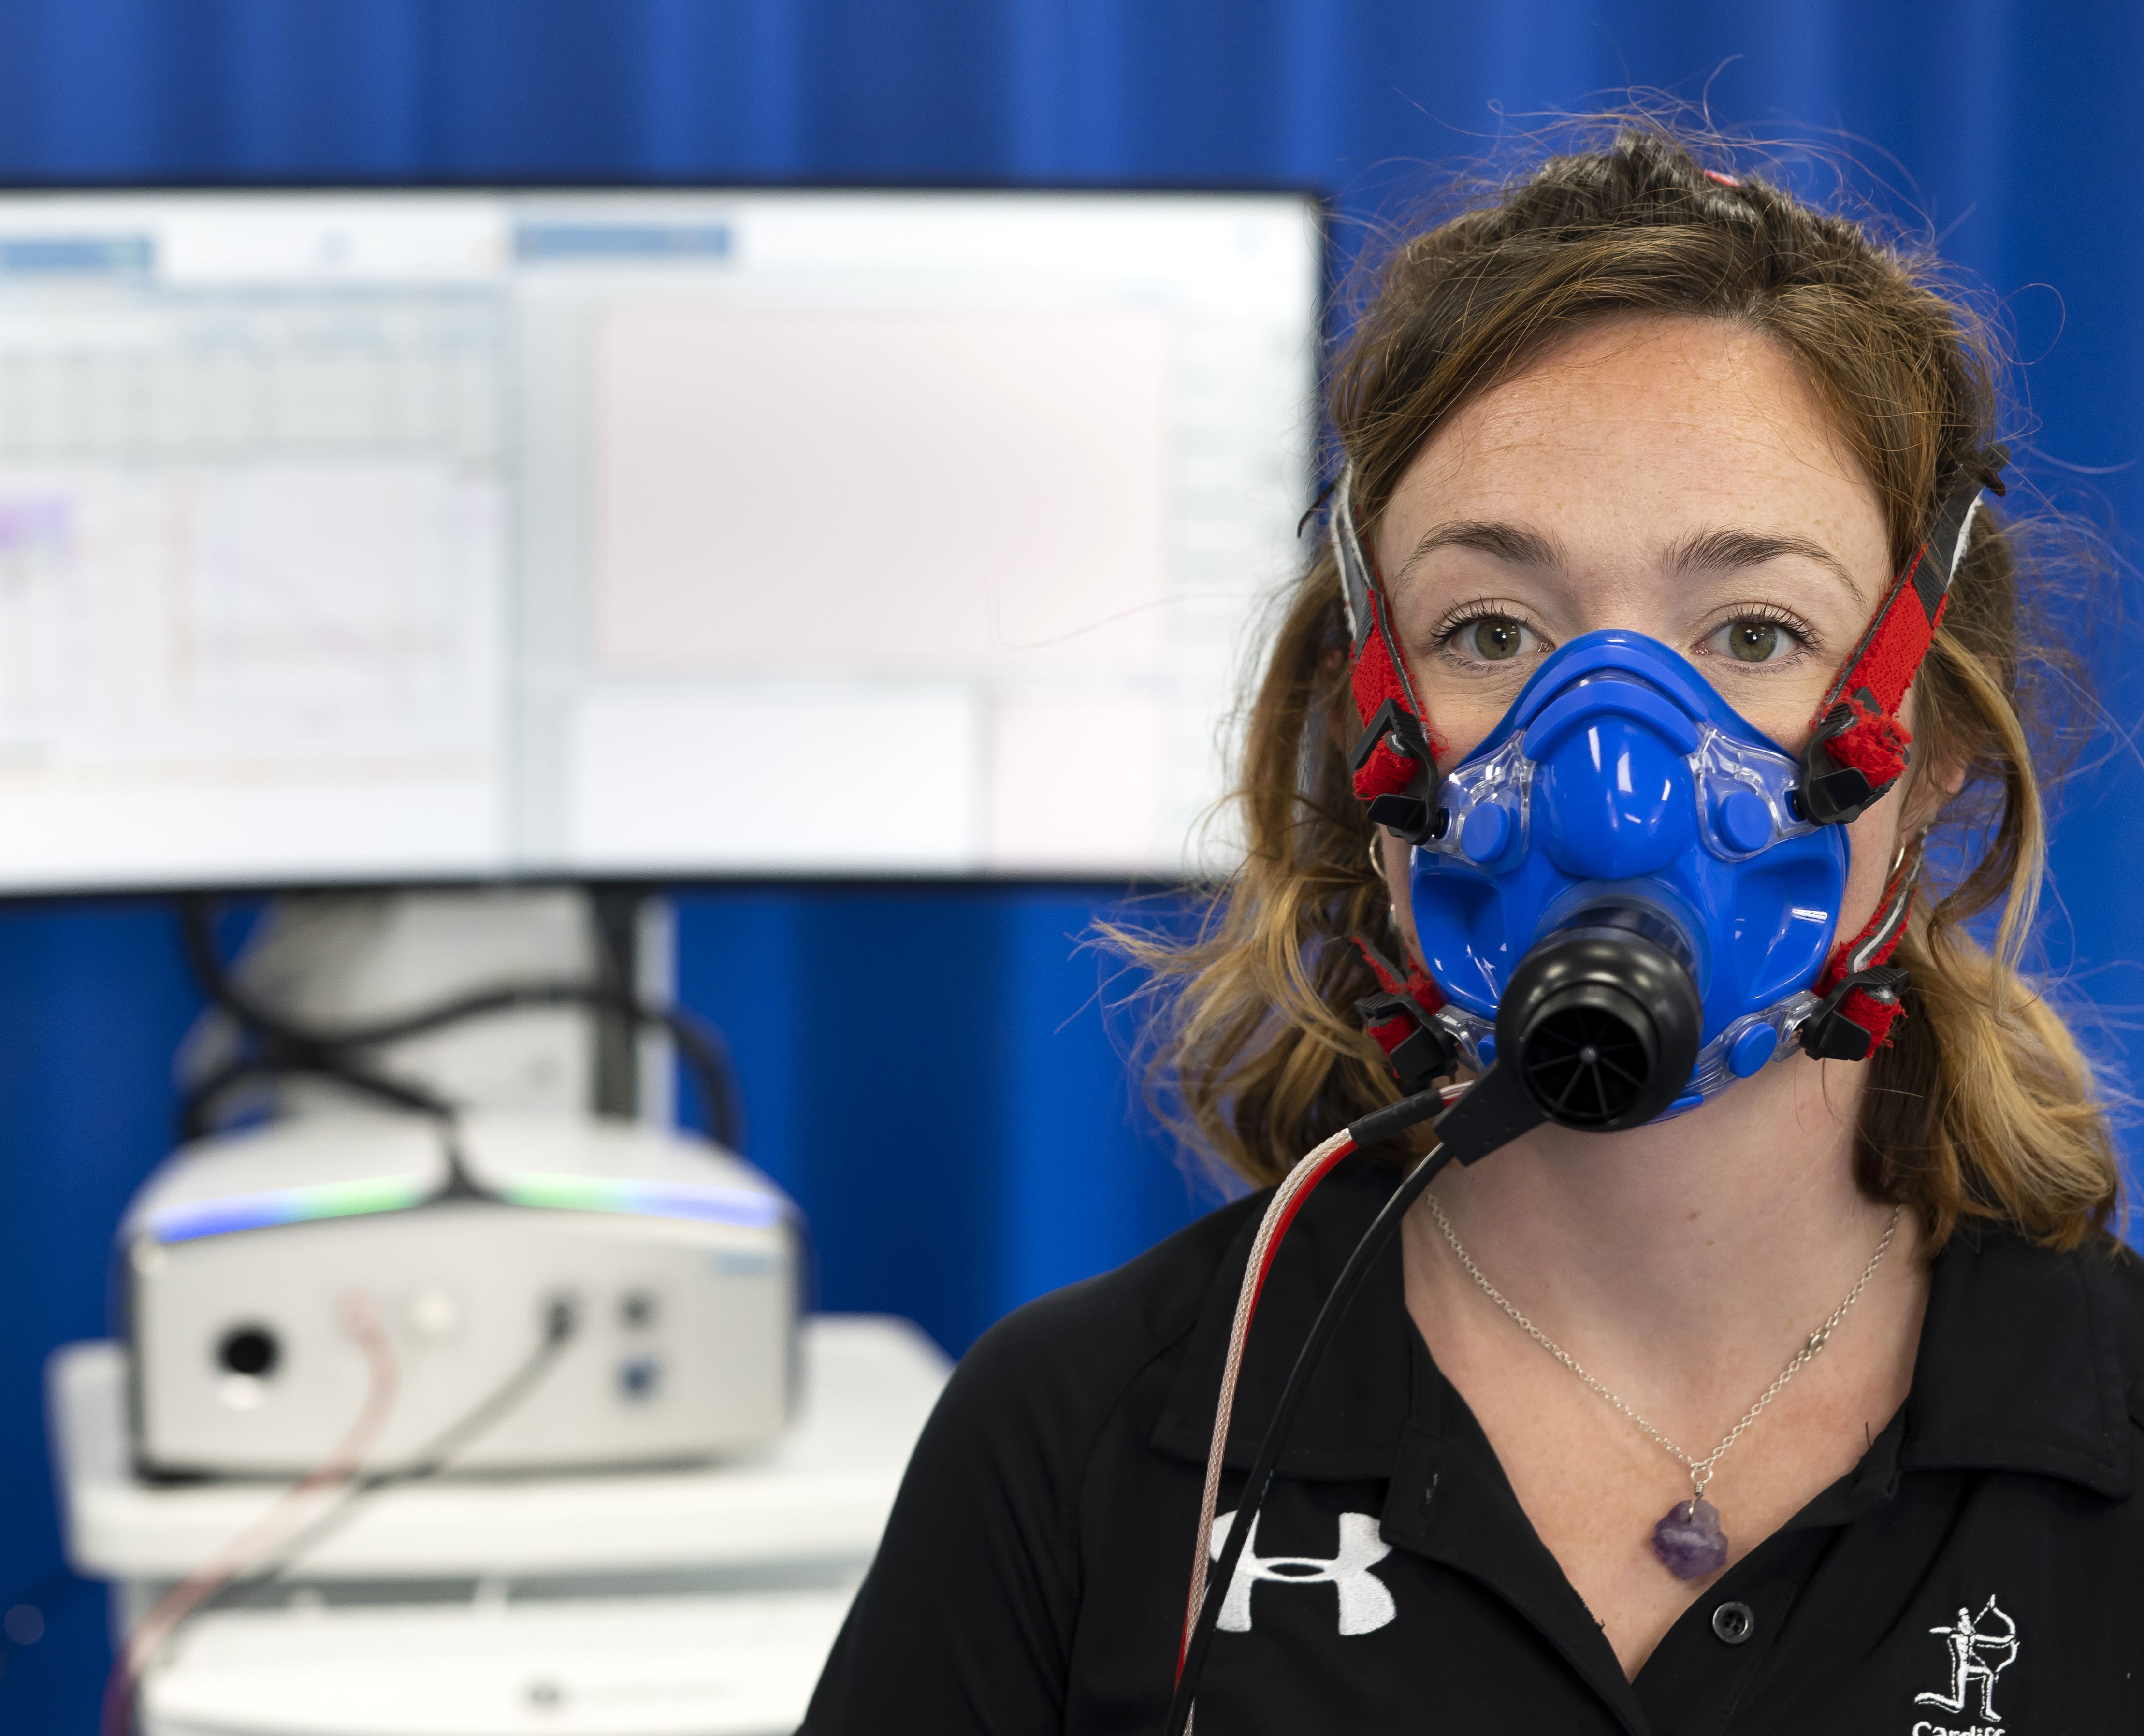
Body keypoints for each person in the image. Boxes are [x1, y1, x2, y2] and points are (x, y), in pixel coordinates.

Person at [801, 125, 2140, 1733]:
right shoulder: (1089, 1439)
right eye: (1492, 630)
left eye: (1758, 630)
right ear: (1366, 731)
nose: (1609, 793)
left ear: (1926, 750)